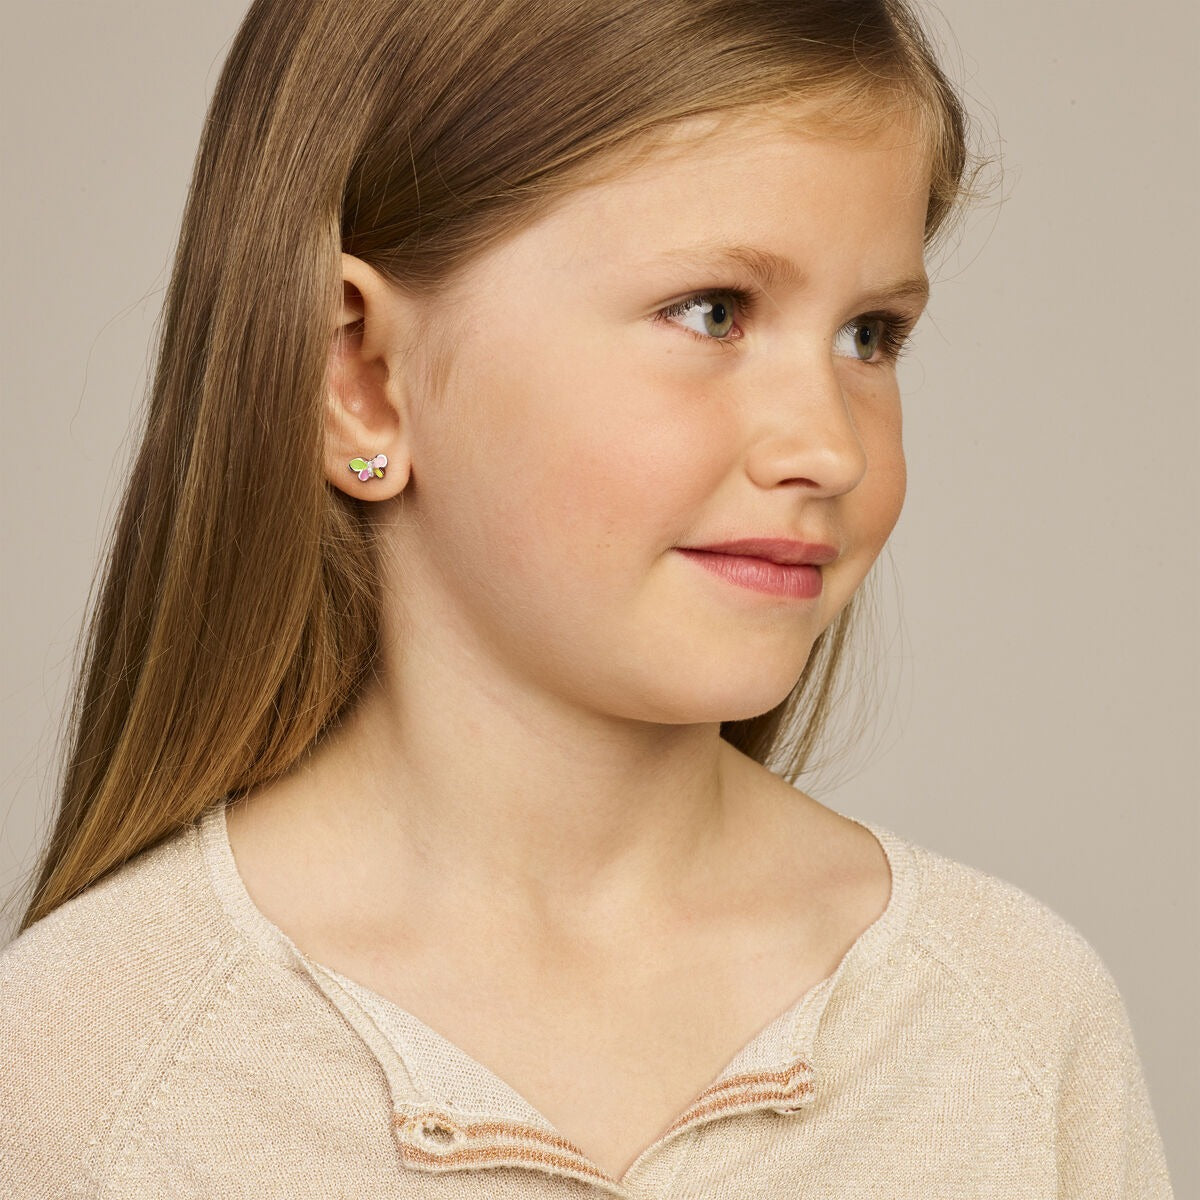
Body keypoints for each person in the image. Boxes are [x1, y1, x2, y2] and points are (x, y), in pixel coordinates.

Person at [0, 0, 1174, 1195]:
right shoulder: (90, 1068)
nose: (829, 448)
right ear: (362, 379)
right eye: (712, 311)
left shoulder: (1012, 1028)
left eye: (869, 336)